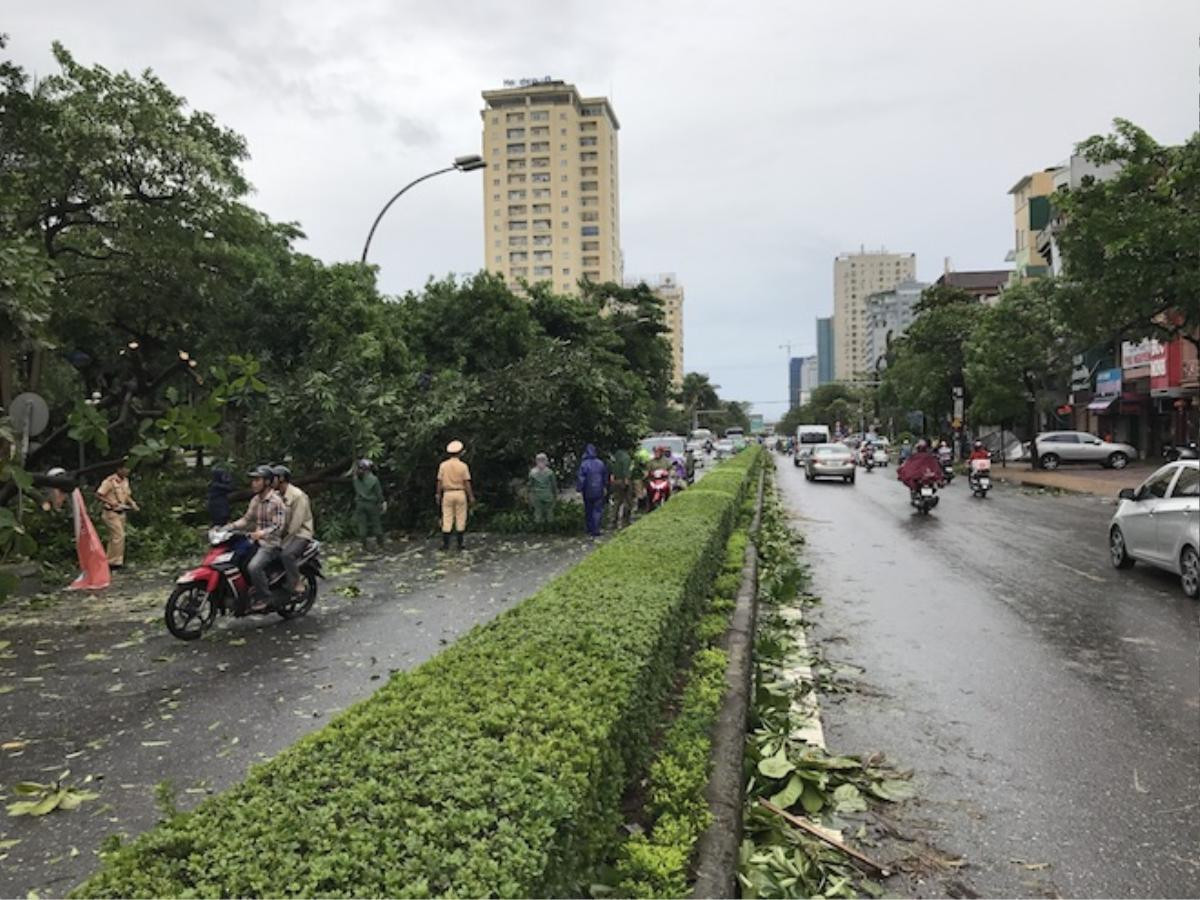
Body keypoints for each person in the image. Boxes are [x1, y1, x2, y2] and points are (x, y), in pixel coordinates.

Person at [228, 465, 287, 613]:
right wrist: (229, 527)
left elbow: (278, 526)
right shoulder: (256, 500)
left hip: (271, 544)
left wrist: (262, 533)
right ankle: (245, 594)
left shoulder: (276, 501)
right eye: (252, 480)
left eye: (257, 480)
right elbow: (246, 519)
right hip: (256, 541)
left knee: (254, 567)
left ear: (267, 482)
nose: (253, 483)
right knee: (235, 560)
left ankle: (265, 598)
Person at [273, 465, 314, 598]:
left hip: (300, 534)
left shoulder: (298, 496)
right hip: (282, 533)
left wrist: (280, 540)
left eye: (273, 478)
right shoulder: (276, 495)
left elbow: (295, 525)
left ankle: (296, 583)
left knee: (286, 555)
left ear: (282, 479)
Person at [95, 461, 139, 569]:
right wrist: (111, 502)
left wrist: (132, 503)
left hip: (122, 512)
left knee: (115, 537)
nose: (127, 471)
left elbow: (127, 495)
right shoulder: (110, 481)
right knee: (119, 536)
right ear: (119, 469)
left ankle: (111, 560)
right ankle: (115, 563)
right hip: (111, 512)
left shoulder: (125, 481)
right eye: (125, 469)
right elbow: (98, 494)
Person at [437, 440, 474, 550]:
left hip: (447, 493)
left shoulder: (443, 465)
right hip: (460, 492)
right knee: (461, 517)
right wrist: (470, 496)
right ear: (460, 452)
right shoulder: (463, 466)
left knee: (447, 517)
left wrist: (438, 494)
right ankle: (460, 544)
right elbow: (467, 482)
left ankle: (446, 544)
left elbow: (439, 481)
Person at [576, 443, 608, 538]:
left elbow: (581, 478)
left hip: (587, 490)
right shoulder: (600, 463)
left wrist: (579, 489)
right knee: (597, 510)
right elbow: (605, 476)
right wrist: (605, 486)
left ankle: (589, 528)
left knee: (588, 509)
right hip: (599, 490)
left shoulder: (584, 464)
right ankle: (596, 529)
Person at [352, 459, 385, 550]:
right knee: (376, 524)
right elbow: (379, 494)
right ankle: (380, 545)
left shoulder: (355, 479)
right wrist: (382, 502)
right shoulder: (374, 479)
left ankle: (364, 546)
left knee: (362, 525)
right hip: (371, 504)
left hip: (360, 504)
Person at [527, 453, 558, 528]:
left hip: (537, 495)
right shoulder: (550, 472)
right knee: (549, 512)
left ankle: (539, 530)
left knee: (538, 512)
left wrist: (529, 495)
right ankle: (550, 529)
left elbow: (530, 485)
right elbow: (554, 485)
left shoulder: (532, 472)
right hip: (548, 495)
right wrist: (555, 495)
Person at [609, 447, 634, 528]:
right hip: (623, 481)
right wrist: (627, 481)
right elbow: (626, 470)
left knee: (617, 502)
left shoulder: (616, 457)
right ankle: (625, 521)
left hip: (616, 481)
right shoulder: (626, 458)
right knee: (628, 501)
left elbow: (612, 469)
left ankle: (613, 521)